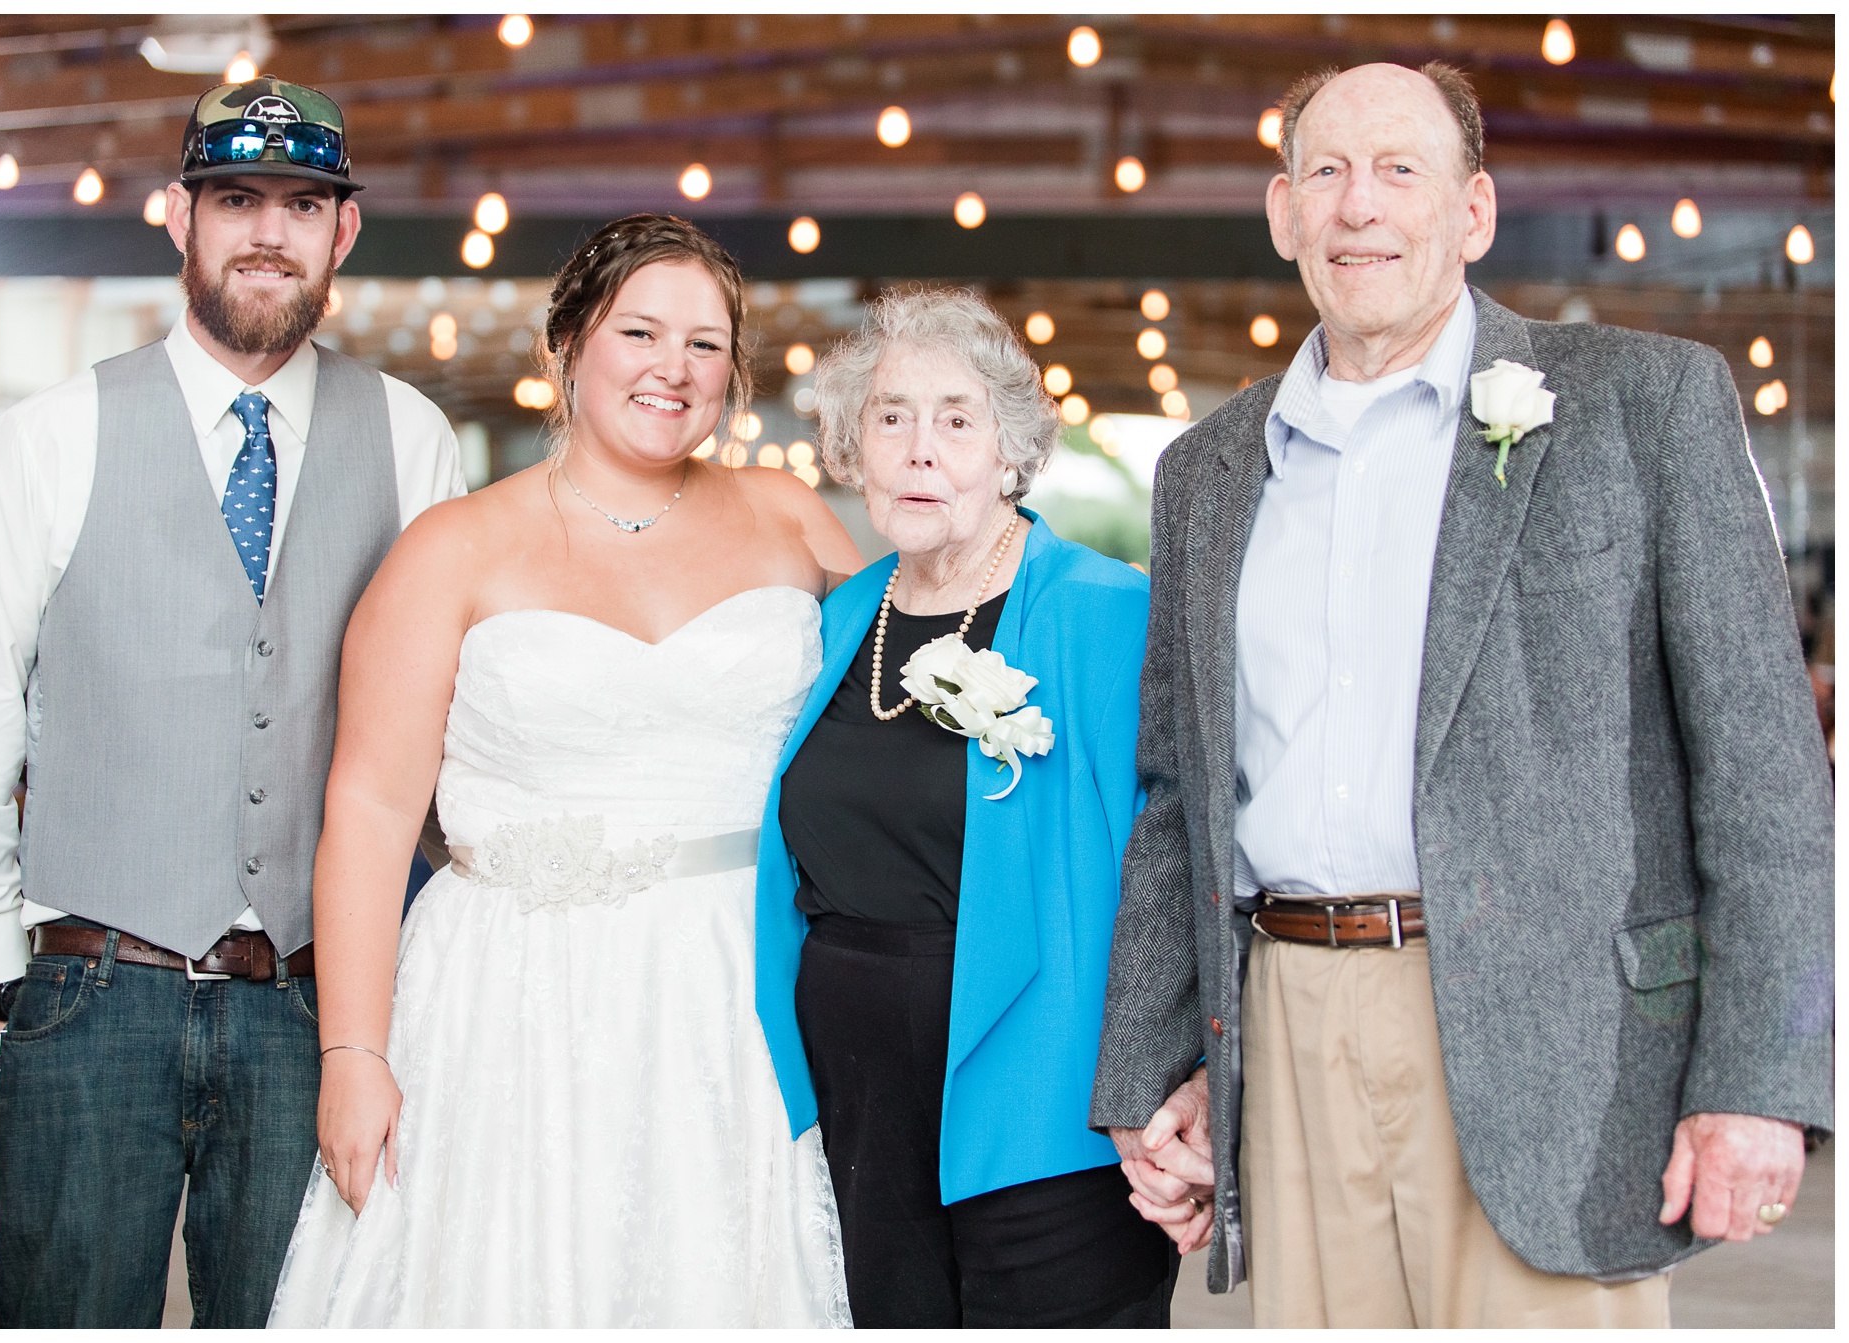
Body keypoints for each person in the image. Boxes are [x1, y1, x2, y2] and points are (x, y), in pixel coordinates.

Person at [1090, 60, 1834, 1329]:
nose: (1357, 206)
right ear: (1281, 213)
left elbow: (1765, 774)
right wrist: (1157, 1062)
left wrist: (1761, 1076)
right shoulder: (1207, 471)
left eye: (1398, 171)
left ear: (1473, 212)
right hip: (1289, 1016)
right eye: (1324, 172)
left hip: (1559, 1038)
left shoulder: (1640, 406)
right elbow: (1180, 792)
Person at [0, 77, 466, 1327]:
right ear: (179, 216)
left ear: (343, 232)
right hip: (96, 984)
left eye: (302, 203)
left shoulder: (414, 437)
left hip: (319, 999)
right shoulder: (52, 434)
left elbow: (453, 719)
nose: (269, 230)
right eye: (236, 200)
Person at [268, 213, 864, 1327]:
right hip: (511, 999)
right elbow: (369, 808)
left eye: (704, 343)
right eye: (639, 331)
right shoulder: (452, 546)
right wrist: (352, 1051)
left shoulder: (787, 516)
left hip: (735, 989)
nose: (673, 368)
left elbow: (894, 692)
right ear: (567, 346)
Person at [756, 288, 1172, 1326]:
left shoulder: (1100, 610)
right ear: (852, 446)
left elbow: (1173, 860)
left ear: (1011, 451)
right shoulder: (845, 614)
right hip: (858, 1102)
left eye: (955, 418)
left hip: (1049, 1101)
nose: (918, 450)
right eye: (889, 417)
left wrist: (1169, 1077)